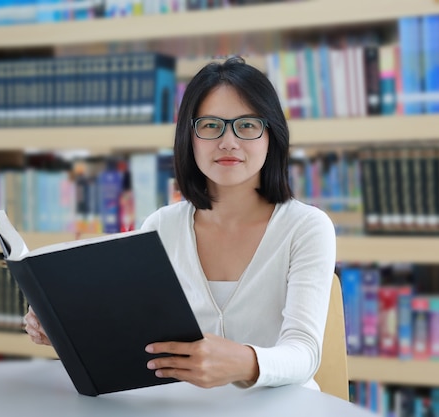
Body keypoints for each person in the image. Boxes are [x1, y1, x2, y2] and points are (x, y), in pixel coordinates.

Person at [24, 56, 336, 391]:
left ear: (271, 137)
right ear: (189, 138)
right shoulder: (162, 226)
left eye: (247, 125)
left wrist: (245, 362)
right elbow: (137, 338)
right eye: (210, 125)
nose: (228, 141)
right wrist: (67, 334)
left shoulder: (306, 227)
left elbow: (304, 354)